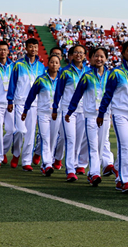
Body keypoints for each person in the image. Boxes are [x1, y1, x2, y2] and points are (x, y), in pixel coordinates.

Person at [97, 40, 128, 193]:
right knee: (124, 146)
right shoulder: (116, 72)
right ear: (123, 53)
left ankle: (121, 179)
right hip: (120, 113)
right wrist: (101, 113)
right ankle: (126, 180)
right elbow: (108, 94)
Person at [66, 47, 110, 186]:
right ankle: (95, 173)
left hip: (105, 115)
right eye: (96, 56)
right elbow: (77, 94)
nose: (99, 59)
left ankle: (94, 172)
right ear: (91, 58)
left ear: (106, 59)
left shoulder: (111, 76)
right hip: (91, 115)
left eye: (102, 56)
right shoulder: (87, 76)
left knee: (100, 145)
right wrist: (70, 111)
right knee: (93, 145)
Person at [7, 38, 45, 171]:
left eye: (35, 47)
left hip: (34, 104)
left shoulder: (41, 67)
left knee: (30, 134)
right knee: (20, 131)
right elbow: (12, 83)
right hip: (20, 102)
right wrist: (10, 100)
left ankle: (26, 161)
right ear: (26, 48)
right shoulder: (18, 65)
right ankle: (16, 153)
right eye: (30, 47)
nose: (33, 49)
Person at [53, 44, 88, 181]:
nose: (78, 55)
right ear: (71, 55)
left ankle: (76, 164)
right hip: (68, 110)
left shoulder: (88, 71)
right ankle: (70, 170)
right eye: (76, 52)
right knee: (70, 139)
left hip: (83, 110)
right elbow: (58, 91)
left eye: (81, 52)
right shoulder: (65, 71)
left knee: (79, 140)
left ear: (85, 55)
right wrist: (55, 108)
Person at [21, 54, 60, 176]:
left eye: (56, 62)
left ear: (59, 65)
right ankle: (47, 164)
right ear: (48, 64)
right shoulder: (41, 79)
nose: (54, 65)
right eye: (52, 62)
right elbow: (31, 95)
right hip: (43, 113)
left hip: (56, 113)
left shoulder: (62, 79)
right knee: (45, 138)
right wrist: (26, 109)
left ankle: (49, 161)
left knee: (53, 139)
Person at [33, 46, 64, 166]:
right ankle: (42, 157)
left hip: (59, 111)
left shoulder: (64, 75)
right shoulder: (43, 74)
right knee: (44, 136)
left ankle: (56, 158)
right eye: (53, 58)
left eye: (58, 56)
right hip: (44, 110)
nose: (54, 64)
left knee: (59, 137)